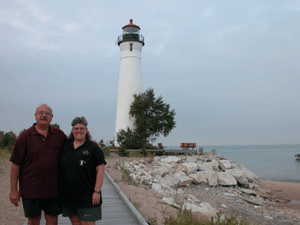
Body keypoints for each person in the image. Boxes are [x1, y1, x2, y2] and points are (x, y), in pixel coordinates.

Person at [10, 104, 67, 225]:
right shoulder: (24, 137)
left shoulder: (59, 135)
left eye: (47, 113)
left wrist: (91, 145)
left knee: (53, 221)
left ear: (52, 117)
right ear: (35, 116)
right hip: (30, 189)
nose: (44, 115)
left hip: (54, 189)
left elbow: (73, 148)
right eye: (41, 113)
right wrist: (14, 190)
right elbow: (15, 165)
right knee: (33, 221)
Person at [59, 116, 106, 225]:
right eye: (76, 128)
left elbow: (100, 170)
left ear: (86, 130)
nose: (79, 131)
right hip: (69, 196)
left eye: (81, 128)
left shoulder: (94, 148)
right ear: (72, 130)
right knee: (75, 223)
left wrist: (97, 191)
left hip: (88, 196)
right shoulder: (65, 146)